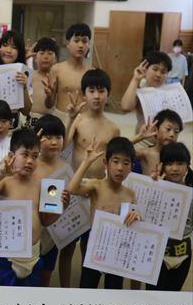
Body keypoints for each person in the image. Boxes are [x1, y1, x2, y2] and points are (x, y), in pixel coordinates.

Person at [0, 128, 68, 286]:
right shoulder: (6, 181)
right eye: (25, 155)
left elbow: (46, 220)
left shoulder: (41, 183)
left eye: (35, 156)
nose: (30, 161)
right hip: (6, 255)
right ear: (11, 155)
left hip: (32, 254)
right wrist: (1, 172)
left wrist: (61, 208)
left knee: (28, 297)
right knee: (3, 297)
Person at [68, 136, 139, 289]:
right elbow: (72, 189)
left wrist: (136, 216)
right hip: (95, 244)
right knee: (87, 288)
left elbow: (135, 224)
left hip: (118, 249)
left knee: (114, 290)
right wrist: (86, 162)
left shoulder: (130, 194)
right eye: (115, 161)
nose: (120, 168)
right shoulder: (97, 186)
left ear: (131, 167)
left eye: (126, 163)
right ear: (105, 163)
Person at [146, 142, 192, 291]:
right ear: (162, 166)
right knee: (152, 297)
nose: (175, 168)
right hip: (156, 253)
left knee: (174, 297)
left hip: (183, 254)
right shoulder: (152, 187)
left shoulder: (191, 192)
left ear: (187, 166)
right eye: (170, 163)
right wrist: (153, 187)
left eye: (180, 163)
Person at [33, 115, 72, 287]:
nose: (54, 142)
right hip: (33, 229)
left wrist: (66, 203)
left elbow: (68, 198)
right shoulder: (31, 165)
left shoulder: (65, 167)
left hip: (54, 231)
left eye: (58, 137)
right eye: (48, 137)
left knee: (46, 274)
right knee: (27, 273)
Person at [66, 69, 120, 179]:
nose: (96, 96)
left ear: (108, 94)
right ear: (84, 95)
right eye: (91, 91)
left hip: (100, 182)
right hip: (77, 181)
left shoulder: (113, 128)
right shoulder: (78, 121)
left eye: (101, 91)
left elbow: (116, 157)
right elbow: (63, 145)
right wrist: (70, 119)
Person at [47, 23, 92, 121]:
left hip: (83, 120)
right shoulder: (57, 69)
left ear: (89, 45)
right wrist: (49, 95)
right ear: (68, 44)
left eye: (84, 41)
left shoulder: (91, 73)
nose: (80, 45)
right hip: (61, 118)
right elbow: (49, 104)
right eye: (76, 41)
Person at [120, 51, 171, 133]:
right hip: (142, 138)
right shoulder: (140, 91)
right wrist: (135, 79)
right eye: (155, 69)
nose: (158, 75)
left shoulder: (171, 94)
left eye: (163, 72)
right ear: (145, 69)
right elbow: (126, 107)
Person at [131, 109, 182, 176]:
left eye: (176, 132)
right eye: (168, 129)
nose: (172, 134)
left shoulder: (178, 157)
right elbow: (119, 149)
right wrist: (140, 136)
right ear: (155, 129)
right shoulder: (146, 153)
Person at [29, 37, 59, 119]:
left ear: (56, 58)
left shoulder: (58, 78)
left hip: (50, 120)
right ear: (35, 58)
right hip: (30, 119)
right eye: (42, 53)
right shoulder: (29, 76)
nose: (46, 57)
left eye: (50, 53)